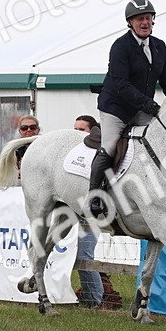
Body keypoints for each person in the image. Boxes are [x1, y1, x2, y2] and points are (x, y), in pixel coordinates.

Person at [88, 0, 166, 217]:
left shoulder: (159, 46)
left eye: (148, 18)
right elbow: (121, 84)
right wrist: (149, 105)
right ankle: (94, 196)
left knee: (164, 138)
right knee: (109, 147)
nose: (145, 22)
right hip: (116, 107)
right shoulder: (120, 47)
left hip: (141, 108)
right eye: (140, 19)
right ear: (130, 22)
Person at [72, 115, 104, 308]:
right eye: (74, 129)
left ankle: (95, 300)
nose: (76, 134)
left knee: (84, 255)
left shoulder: (99, 156)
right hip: (72, 208)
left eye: (80, 130)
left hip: (91, 212)